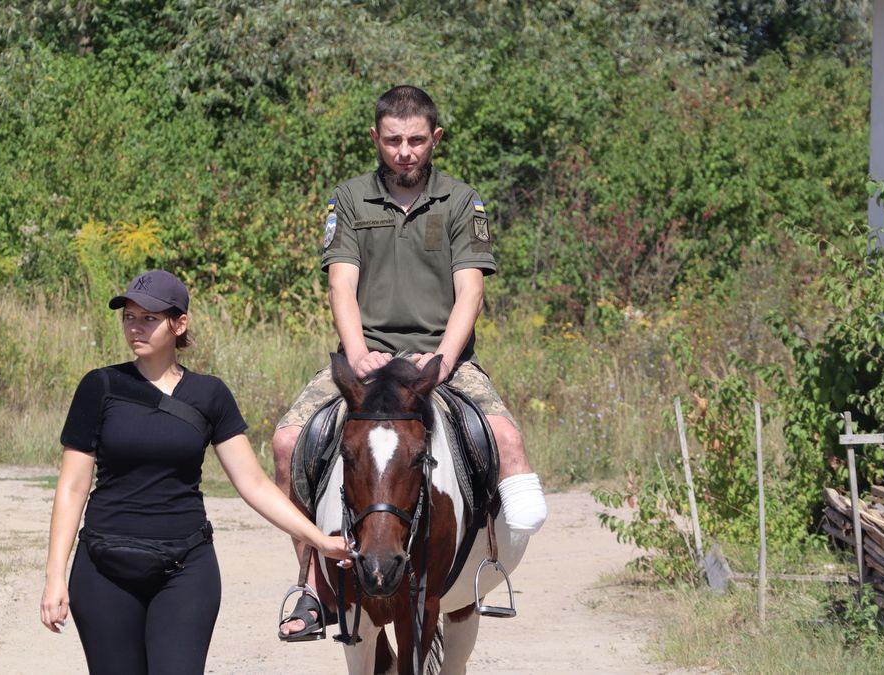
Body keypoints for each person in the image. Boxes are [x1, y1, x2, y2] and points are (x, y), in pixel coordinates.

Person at [273, 85, 548, 640]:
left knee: (509, 444)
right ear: (375, 138)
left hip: (442, 358)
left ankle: (490, 565)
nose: (405, 151)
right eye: (393, 140)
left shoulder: (462, 202)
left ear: (435, 139)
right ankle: (312, 586)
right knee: (285, 441)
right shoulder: (348, 200)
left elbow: (469, 291)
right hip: (366, 356)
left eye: (417, 140)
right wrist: (357, 355)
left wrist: (443, 362)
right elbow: (341, 284)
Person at [40, 269, 350, 674]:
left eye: (149, 318)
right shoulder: (100, 387)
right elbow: (72, 487)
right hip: (103, 571)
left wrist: (318, 540)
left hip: (184, 571)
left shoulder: (210, 395)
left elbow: (253, 483)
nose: (136, 326)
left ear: (179, 323)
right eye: (129, 316)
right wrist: (54, 577)